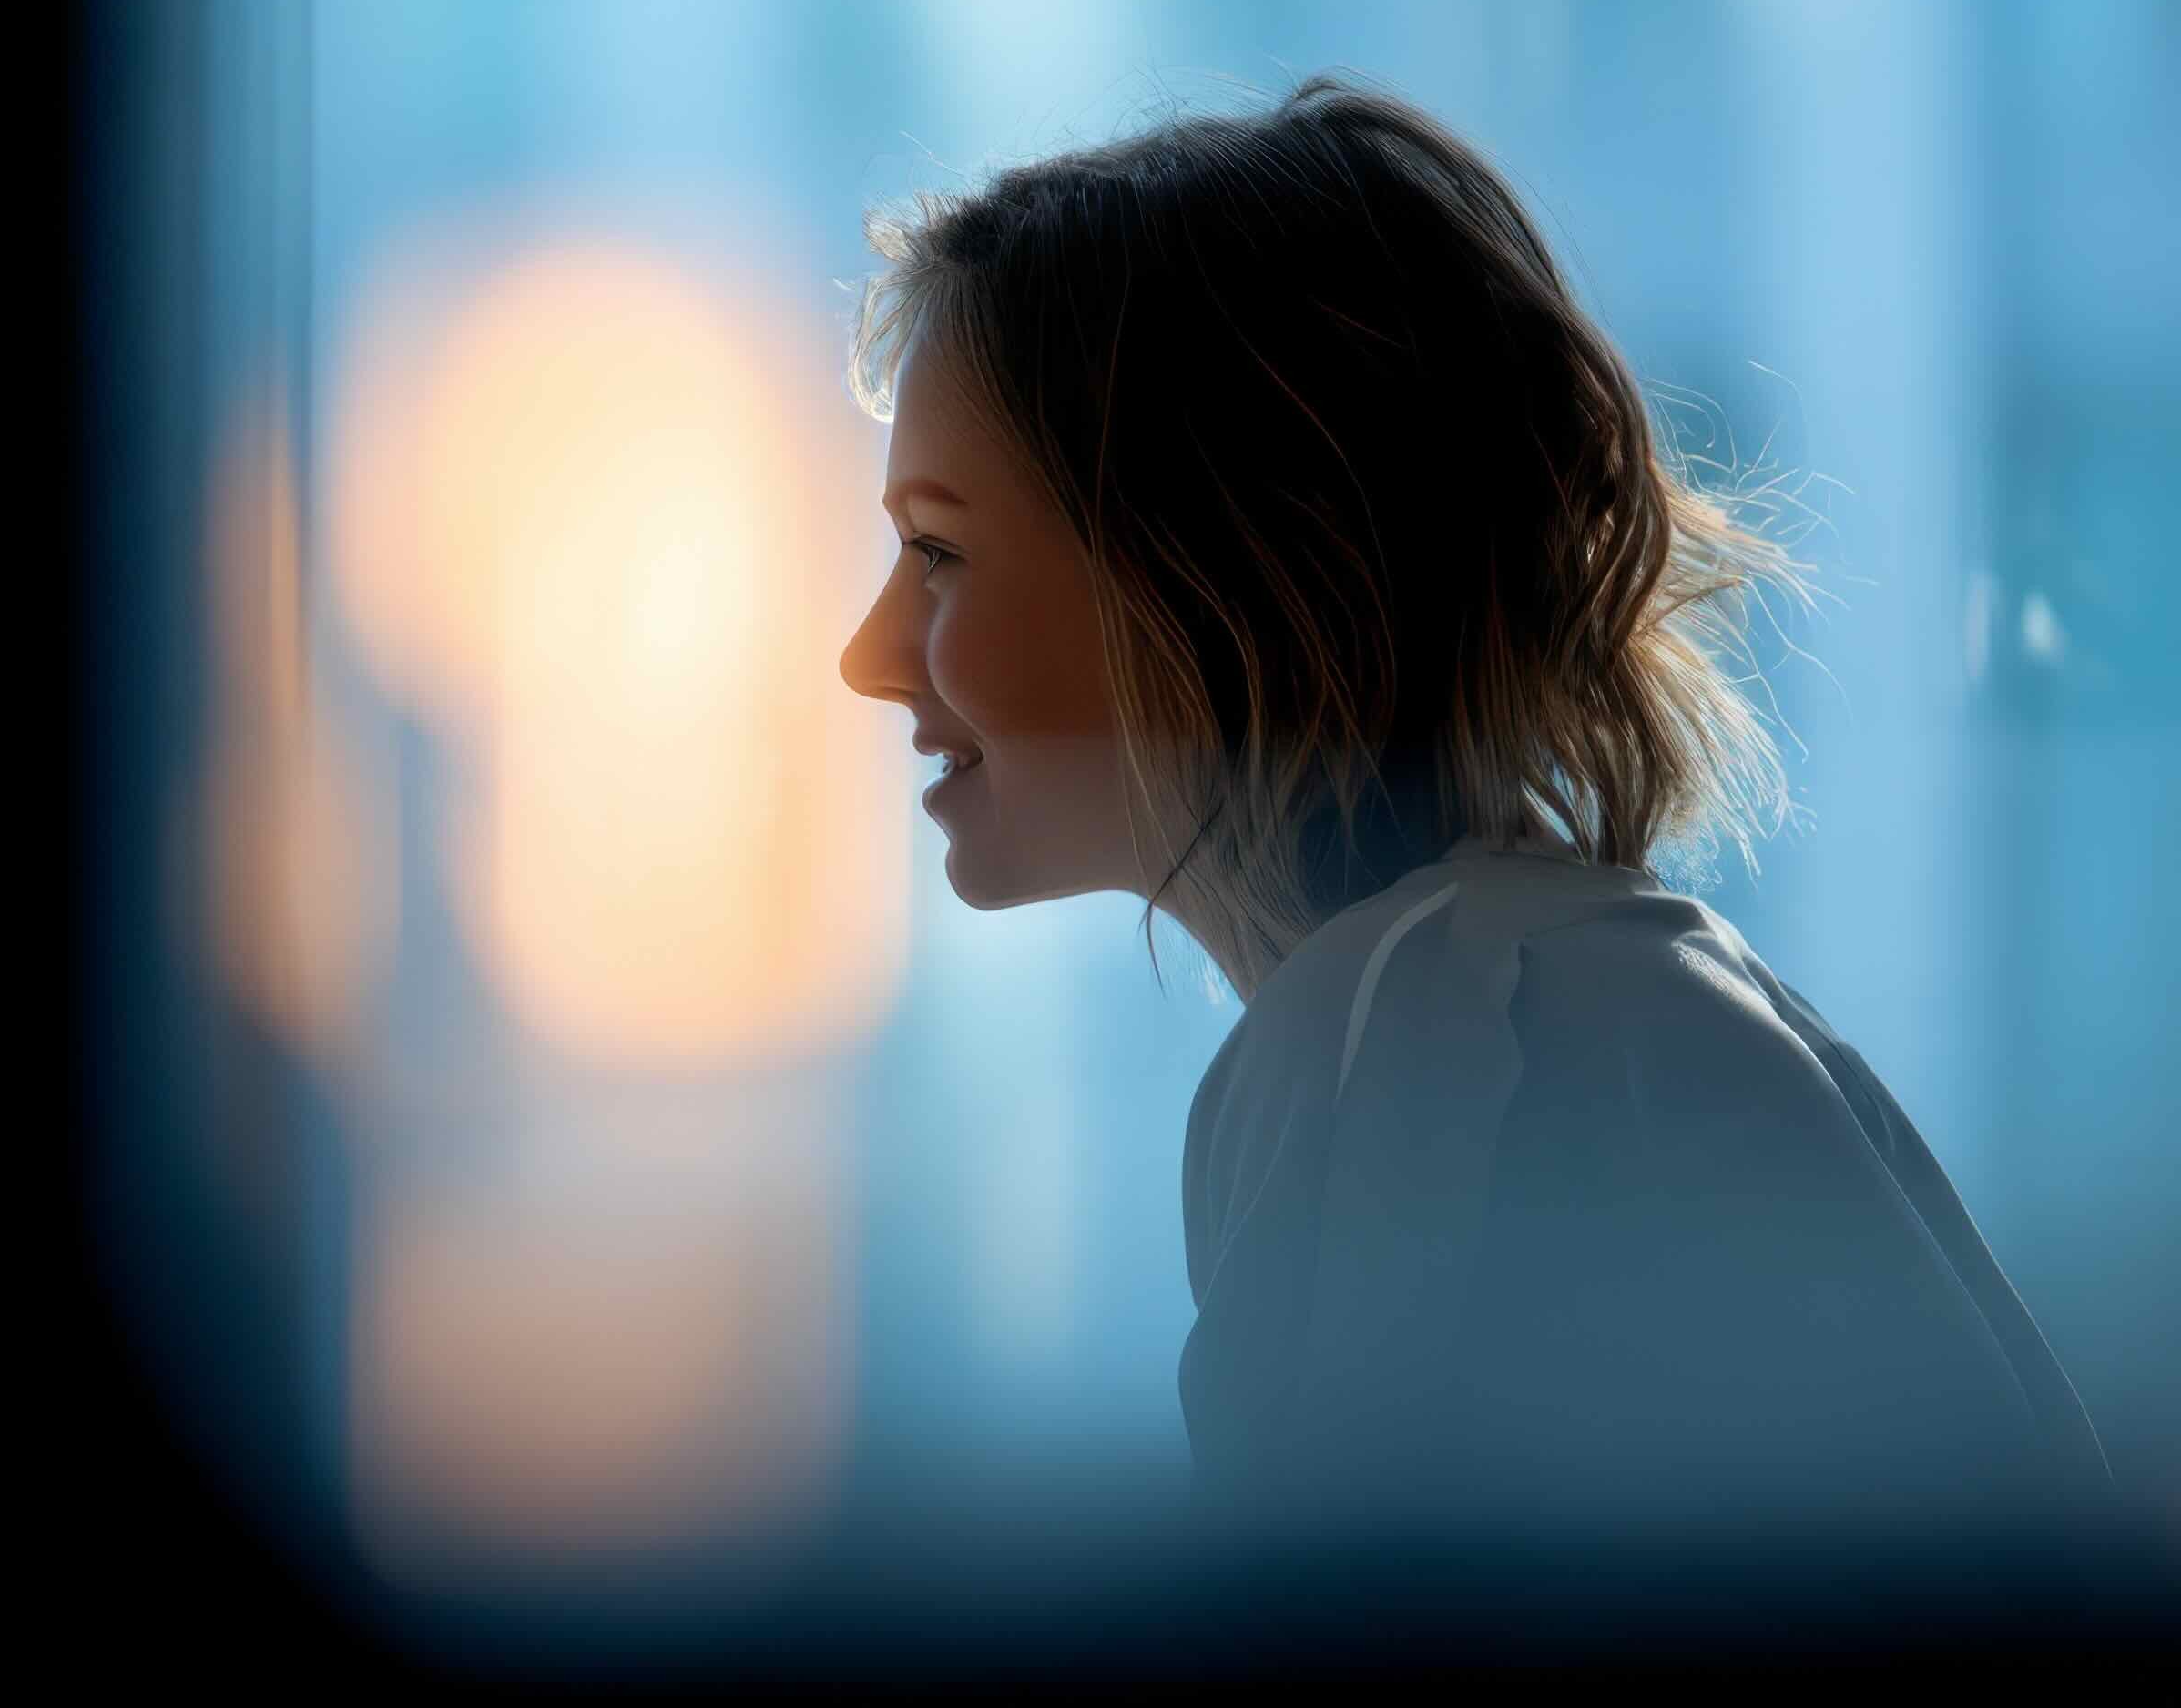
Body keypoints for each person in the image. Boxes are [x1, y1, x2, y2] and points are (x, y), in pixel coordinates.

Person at [832, 77, 2108, 1549]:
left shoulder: (1418, 1037)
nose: (867, 655)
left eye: (938, 551)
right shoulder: (1578, 989)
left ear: (1221, 567)